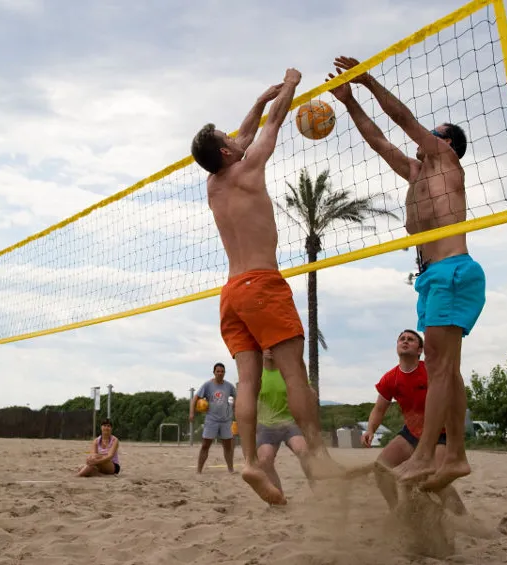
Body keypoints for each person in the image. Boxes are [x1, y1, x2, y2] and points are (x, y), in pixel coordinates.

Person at [328, 56, 485, 491]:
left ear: (448, 144)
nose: (428, 136)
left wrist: (368, 80)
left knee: (439, 367)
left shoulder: (446, 163)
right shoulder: (417, 173)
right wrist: (349, 101)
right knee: (446, 369)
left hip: (454, 270)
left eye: (437, 133)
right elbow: (379, 140)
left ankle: (427, 456)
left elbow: (402, 119)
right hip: (433, 277)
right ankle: (454, 457)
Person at [191, 67, 339, 506]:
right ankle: (318, 452)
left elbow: (247, 130)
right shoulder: (249, 165)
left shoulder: (214, 184)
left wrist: (257, 101)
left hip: (231, 292)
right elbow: (273, 125)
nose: (239, 138)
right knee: (295, 372)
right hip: (261, 284)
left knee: (248, 383)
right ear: (227, 149)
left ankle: (252, 462)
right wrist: (290, 85)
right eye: (230, 138)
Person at [360, 330, 466, 515]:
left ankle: (462, 517)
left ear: (420, 350)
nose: (405, 341)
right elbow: (379, 409)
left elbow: (452, 398)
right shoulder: (390, 378)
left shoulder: (430, 371)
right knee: (381, 469)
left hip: (440, 434)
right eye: (402, 339)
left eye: (411, 339)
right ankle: (397, 512)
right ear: (397, 347)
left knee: (435, 480)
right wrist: (370, 429)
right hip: (411, 433)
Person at [255, 349, 311, 497]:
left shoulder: (289, 373)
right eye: (267, 348)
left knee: (304, 452)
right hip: (266, 425)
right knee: (265, 460)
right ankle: (278, 498)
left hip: (290, 422)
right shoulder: (256, 375)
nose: (271, 351)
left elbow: (306, 392)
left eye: (274, 347)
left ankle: (318, 489)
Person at [190, 362, 237, 474]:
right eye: (218, 371)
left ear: (224, 373)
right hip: (211, 420)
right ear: (214, 372)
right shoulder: (207, 385)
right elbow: (195, 398)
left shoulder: (229, 386)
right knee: (205, 445)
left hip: (226, 420)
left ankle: (231, 470)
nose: (220, 373)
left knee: (228, 447)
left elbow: (237, 396)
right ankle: (199, 471)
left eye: (222, 371)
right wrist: (192, 413)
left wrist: (234, 407)